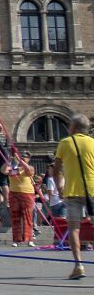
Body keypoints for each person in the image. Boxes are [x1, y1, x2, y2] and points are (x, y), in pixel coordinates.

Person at [54, 113, 94, 280]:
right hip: (93, 190)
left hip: (72, 192)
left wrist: (60, 187)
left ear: (74, 128)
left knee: (74, 230)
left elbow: (56, 170)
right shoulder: (93, 143)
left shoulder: (64, 143)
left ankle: (79, 265)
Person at [2, 149, 36, 247]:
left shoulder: (30, 167)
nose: (22, 158)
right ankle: (16, 239)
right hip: (14, 193)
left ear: (28, 159)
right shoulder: (15, 169)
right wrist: (9, 159)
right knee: (15, 217)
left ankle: (29, 239)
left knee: (27, 217)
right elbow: (4, 171)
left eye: (25, 156)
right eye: (21, 156)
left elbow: (29, 171)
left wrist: (21, 161)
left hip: (27, 193)